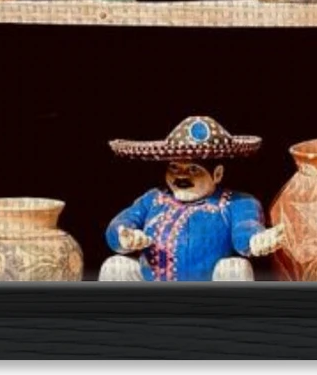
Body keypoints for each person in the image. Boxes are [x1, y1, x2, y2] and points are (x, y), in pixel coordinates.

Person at [98, 115, 284, 282]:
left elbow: (246, 229)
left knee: (235, 268)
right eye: (174, 168)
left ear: (217, 174)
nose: (181, 177)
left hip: (207, 293)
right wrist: (124, 236)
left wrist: (256, 240)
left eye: (193, 169)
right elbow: (122, 222)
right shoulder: (153, 198)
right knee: (115, 266)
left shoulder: (236, 202)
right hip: (151, 286)